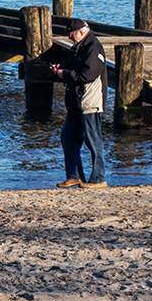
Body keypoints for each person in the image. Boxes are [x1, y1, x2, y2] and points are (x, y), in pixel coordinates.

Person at [48, 19, 109, 188]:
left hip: (90, 101)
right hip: (76, 102)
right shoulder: (80, 47)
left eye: (71, 33)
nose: (69, 36)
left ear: (81, 32)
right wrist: (62, 68)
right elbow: (75, 66)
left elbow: (87, 75)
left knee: (93, 140)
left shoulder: (94, 48)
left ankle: (98, 178)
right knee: (68, 137)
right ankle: (74, 175)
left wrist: (64, 74)